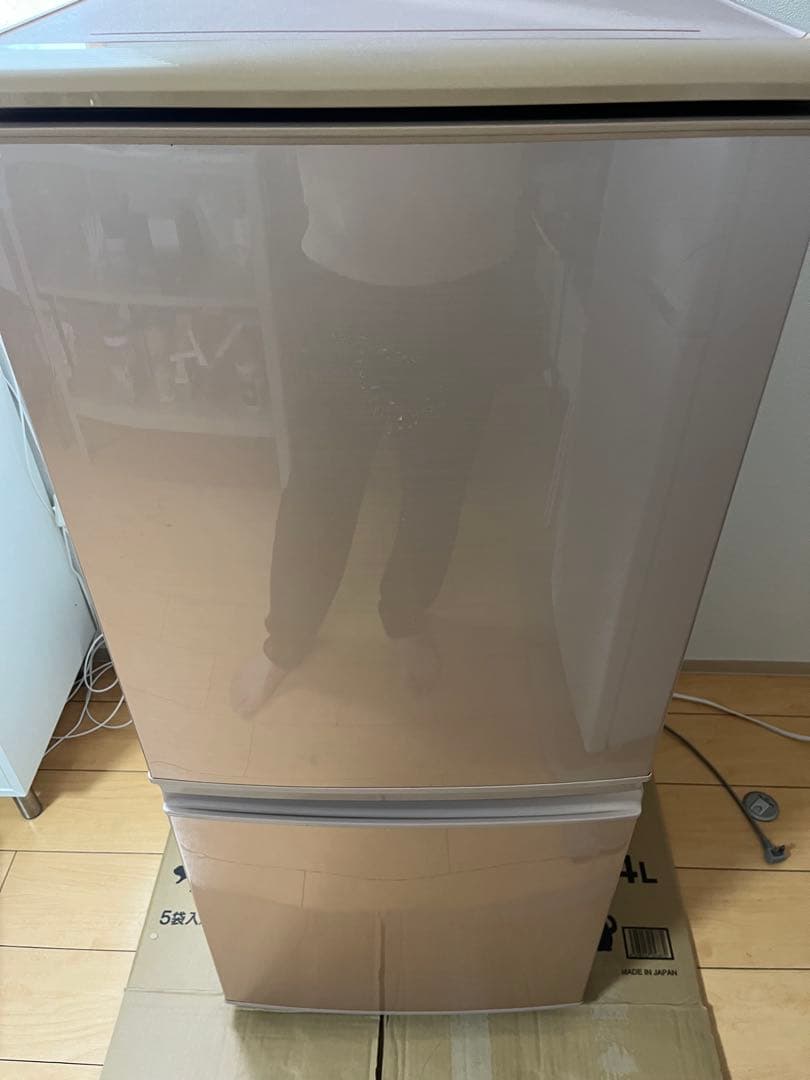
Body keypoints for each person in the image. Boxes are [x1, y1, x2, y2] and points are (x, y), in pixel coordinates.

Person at [231, 143, 528, 715]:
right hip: (340, 269)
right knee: (321, 482)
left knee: (437, 480)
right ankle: (286, 639)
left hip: (470, 276)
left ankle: (405, 615)